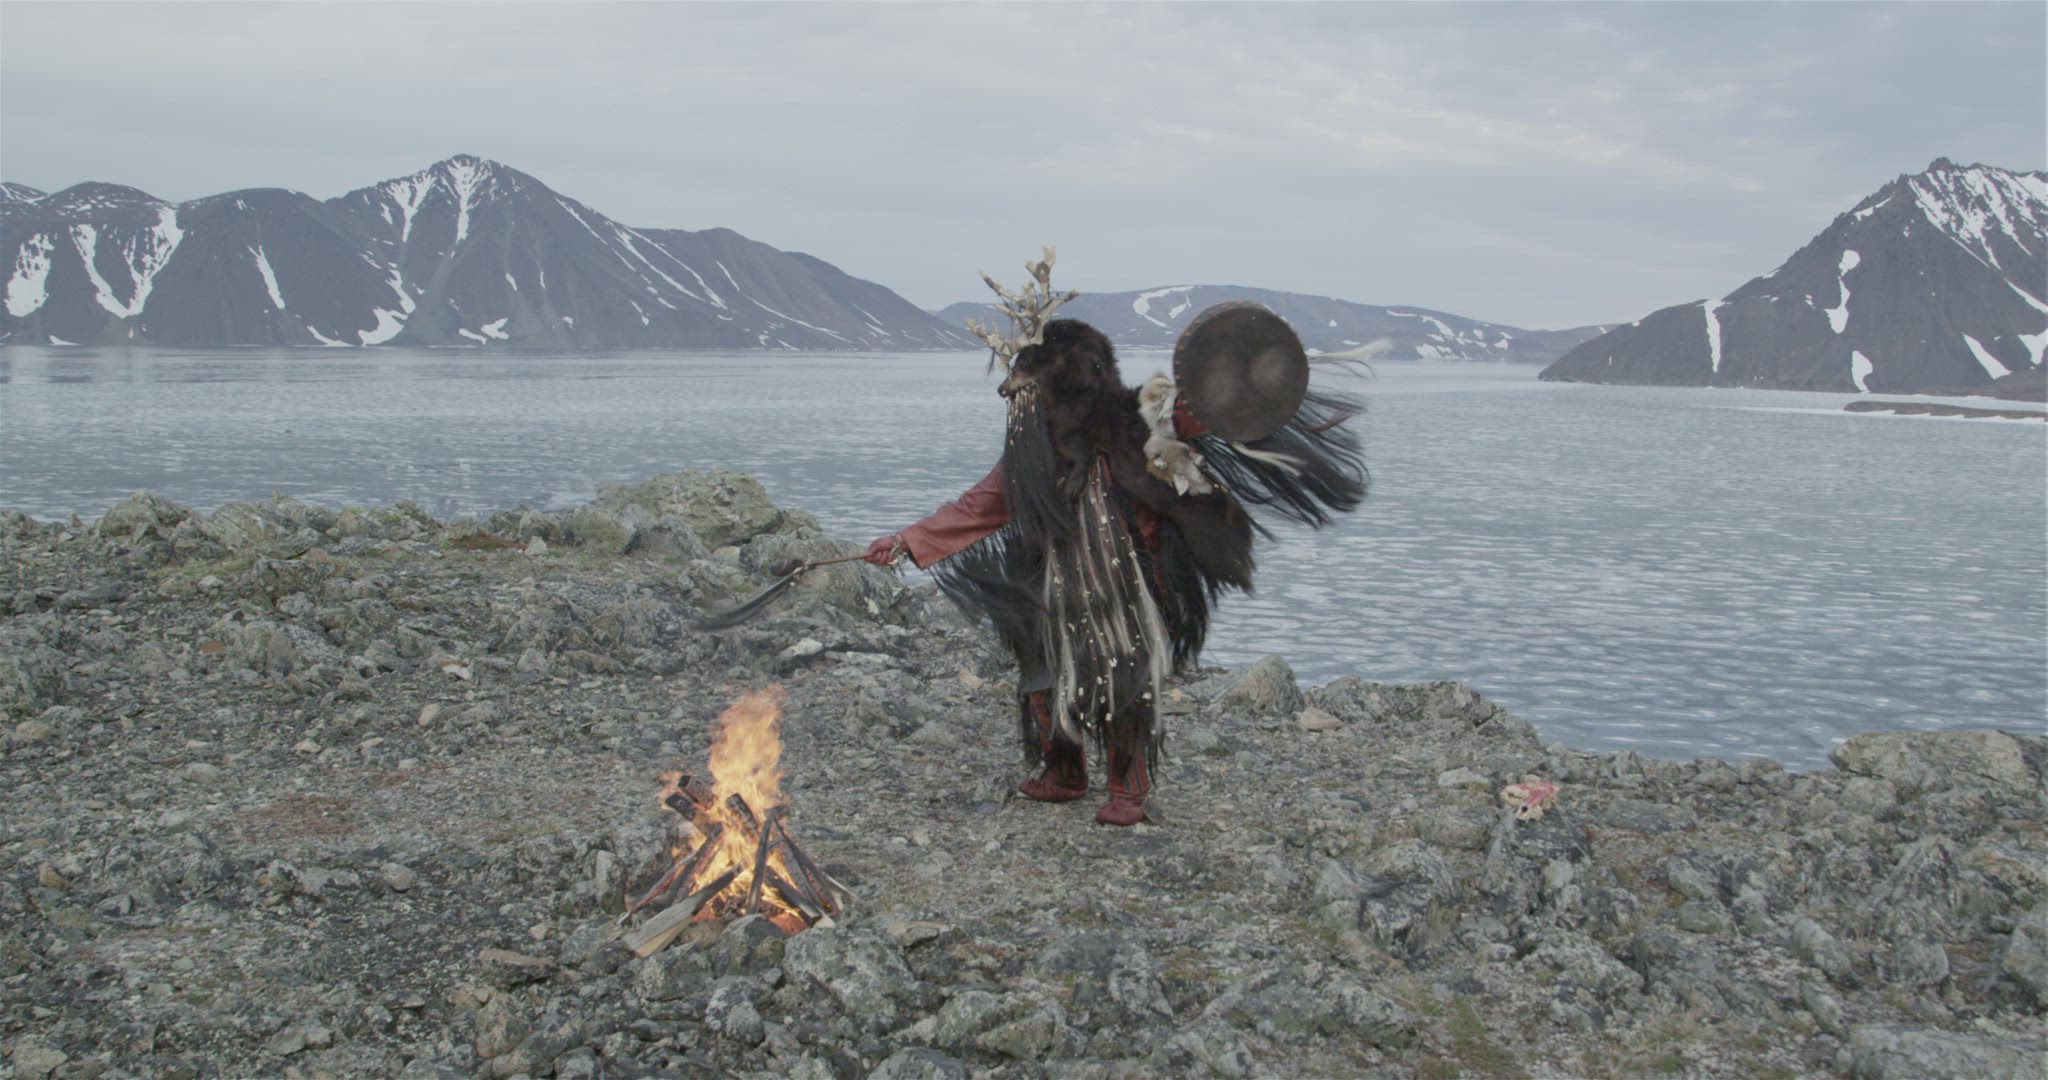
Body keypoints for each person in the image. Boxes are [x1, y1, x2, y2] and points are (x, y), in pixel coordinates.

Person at [868, 263, 1366, 826]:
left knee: (1125, 681)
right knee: (1044, 677)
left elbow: (1195, 415)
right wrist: (906, 541)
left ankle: (1129, 789)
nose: (1020, 404)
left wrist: (1236, 377)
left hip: (1129, 588)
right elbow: (980, 504)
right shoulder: (1033, 455)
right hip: (1051, 584)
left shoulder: (1137, 423)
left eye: (1030, 392)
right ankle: (1065, 772)